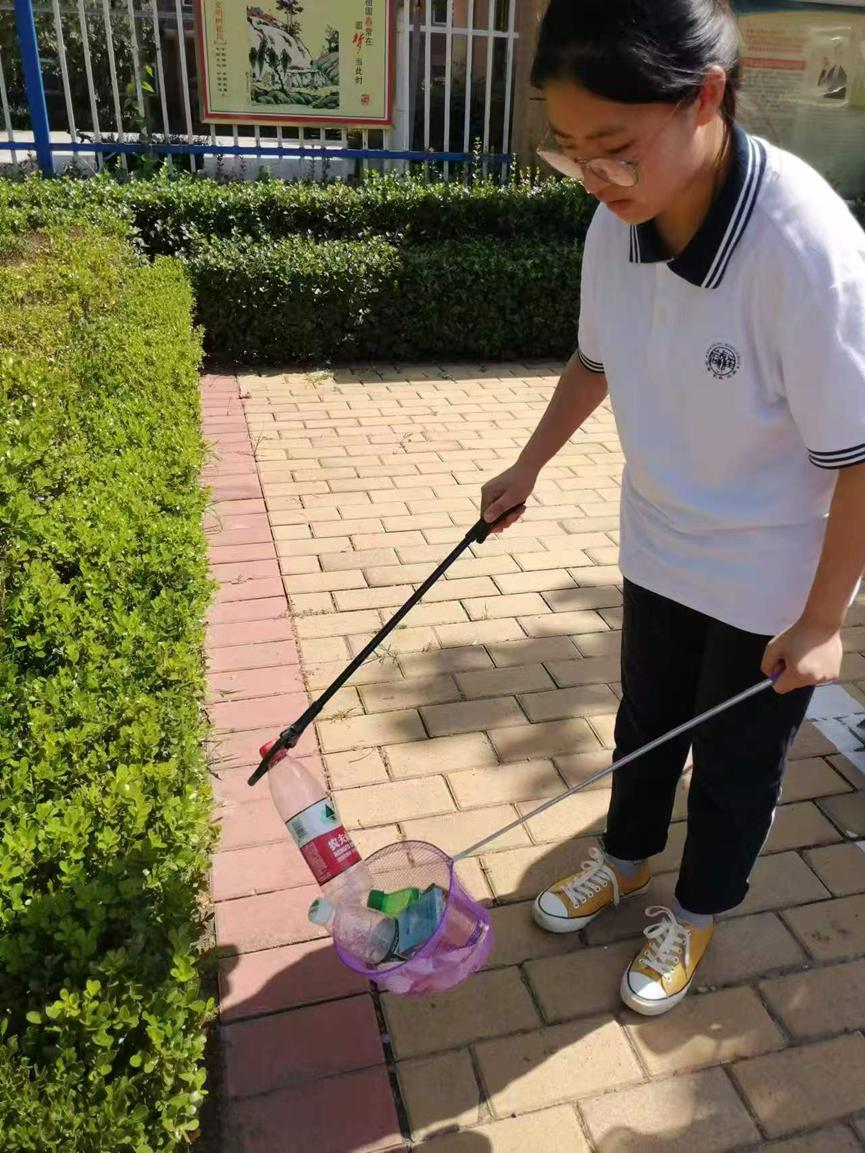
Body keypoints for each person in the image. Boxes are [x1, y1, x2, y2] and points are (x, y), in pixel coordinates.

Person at [481, 0, 865, 1017]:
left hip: (769, 572)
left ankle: (694, 913)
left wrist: (822, 619)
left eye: (613, 147)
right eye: (571, 151)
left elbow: (861, 456)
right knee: (647, 715)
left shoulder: (805, 248)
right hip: (657, 535)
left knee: (734, 758)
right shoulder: (617, 218)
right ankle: (625, 857)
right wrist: (526, 466)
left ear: (704, 97)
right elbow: (594, 359)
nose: (593, 178)